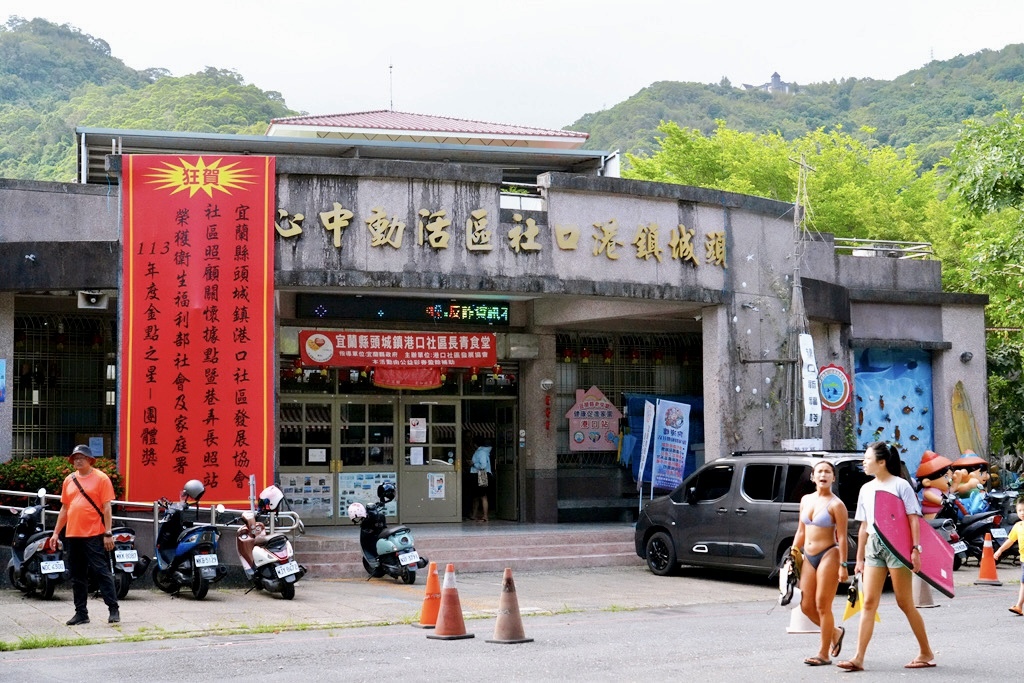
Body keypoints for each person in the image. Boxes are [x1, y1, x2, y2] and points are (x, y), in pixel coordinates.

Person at [837, 441, 935, 671]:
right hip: (874, 546)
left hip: (897, 547)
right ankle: (858, 657)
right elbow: (863, 526)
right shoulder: (866, 489)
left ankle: (926, 651)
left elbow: (913, 519)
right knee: (868, 602)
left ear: (881, 462)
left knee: (905, 603)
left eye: (867, 458)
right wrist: (859, 559)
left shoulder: (901, 485)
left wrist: (915, 550)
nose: (864, 462)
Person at [50, 444, 120, 625]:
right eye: (75, 457)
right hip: (73, 534)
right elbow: (64, 508)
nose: (78, 460)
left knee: (101, 571)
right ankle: (81, 613)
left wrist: (108, 532)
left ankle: (113, 609)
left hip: (94, 534)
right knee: (77, 575)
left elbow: (107, 508)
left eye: (81, 457)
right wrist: (56, 533)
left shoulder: (101, 478)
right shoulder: (69, 480)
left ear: (90, 459)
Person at [793, 460, 849, 666]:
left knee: (823, 606)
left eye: (828, 472)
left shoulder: (837, 505)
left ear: (833, 477)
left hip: (829, 555)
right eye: (819, 471)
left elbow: (842, 537)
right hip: (808, 555)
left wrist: (844, 566)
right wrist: (792, 553)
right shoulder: (806, 499)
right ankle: (835, 632)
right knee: (806, 605)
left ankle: (823, 653)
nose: (823, 475)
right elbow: (801, 530)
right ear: (813, 477)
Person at [993, 496, 1024, 616]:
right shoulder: (1018, 526)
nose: (1022, 513)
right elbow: (1010, 541)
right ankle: (1019, 606)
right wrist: (1000, 550)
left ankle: (1019, 605)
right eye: (1020, 510)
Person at [470, 441, 493, 522]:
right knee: (476, 496)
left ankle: (485, 516)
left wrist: (473, 464)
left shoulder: (481, 452)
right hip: (479, 474)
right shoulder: (482, 452)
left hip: (482, 474)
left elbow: (483, 465)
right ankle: (474, 515)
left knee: (483, 495)